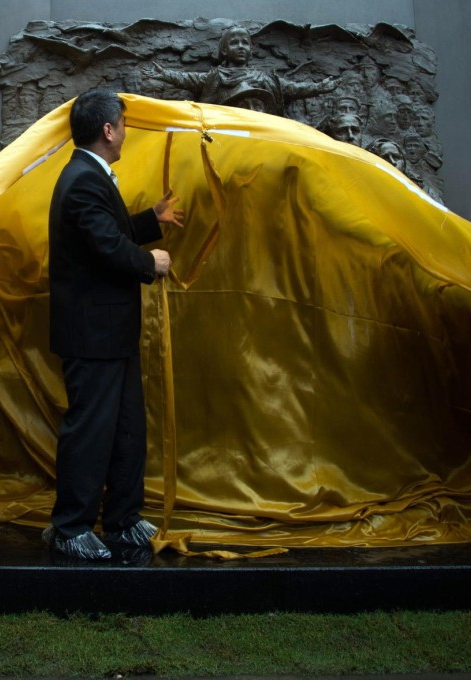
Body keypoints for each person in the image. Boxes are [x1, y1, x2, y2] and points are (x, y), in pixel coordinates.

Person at [44, 89, 184, 560]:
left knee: (126, 429)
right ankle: (70, 528)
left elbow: (109, 227)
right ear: (108, 130)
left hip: (110, 334)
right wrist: (151, 263)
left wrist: (152, 220)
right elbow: (105, 244)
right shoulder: (82, 179)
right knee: (90, 430)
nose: (125, 131)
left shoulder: (88, 175)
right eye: (122, 124)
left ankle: (123, 520)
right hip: (92, 335)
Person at [142, 25, 338, 116]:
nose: (241, 46)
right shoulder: (216, 77)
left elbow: (293, 89)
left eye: (245, 43)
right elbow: (190, 79)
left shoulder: (265, 78)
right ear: (224, 50)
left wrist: (319, 87)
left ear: (251, 50)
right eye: (234, 43)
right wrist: (165, 74)